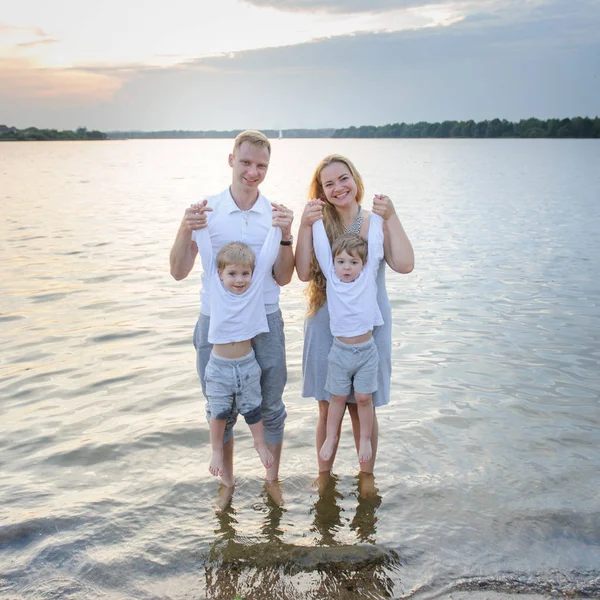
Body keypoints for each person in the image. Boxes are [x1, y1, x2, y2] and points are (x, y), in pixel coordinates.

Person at [170, 130, 294, 502]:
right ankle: (227, 484)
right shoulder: (206, 210)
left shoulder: (273, 214)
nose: (252, 172)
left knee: (270, 404)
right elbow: (177, 271)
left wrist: (287, 233)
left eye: (261, 166)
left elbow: (284, 277)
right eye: (246, 163)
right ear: (231, 160)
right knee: (218, 406)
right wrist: (184, 226)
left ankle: (272, 481)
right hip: (216, 325)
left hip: (266, 320)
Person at [295, 154, 414, 481]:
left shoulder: (374, 220)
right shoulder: (320, 223)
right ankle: (324, 482)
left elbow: (405, 265)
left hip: (369, 329)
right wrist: (304, 225)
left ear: (356, 180)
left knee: (365, 408)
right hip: (325, 325)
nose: (338, 188)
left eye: (343, 178)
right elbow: (303, 273)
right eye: (328, 183)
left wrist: (392, 216)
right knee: (327, 407)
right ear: (320, 191)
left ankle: (366, 483)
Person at [197, 223, 282, 478]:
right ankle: (216, 451)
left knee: (253, 407)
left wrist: (277, 227)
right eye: (232, 274)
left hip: (247, 364)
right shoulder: (216, 287)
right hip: (219, 366)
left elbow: (266, 256)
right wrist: (199, 224)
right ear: (220, 274)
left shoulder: (253, 288)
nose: (239, 279)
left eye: (245, 274)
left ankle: (259, 443)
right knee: (219, 410)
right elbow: (205, 252)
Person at [311, 210, 384, 464]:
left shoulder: (367, 278)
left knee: (364, 399)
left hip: (366, 352)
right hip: (340, 352)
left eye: (353, 263)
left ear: (363, 265)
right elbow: (321, 248)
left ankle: (364, 438)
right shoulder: (332, 278)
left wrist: (376, 218)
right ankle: (331, 437)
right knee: (337, 399)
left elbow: (375, 246)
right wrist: (316, 221)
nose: (346, 267)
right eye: (341, 262)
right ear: (334, 264)